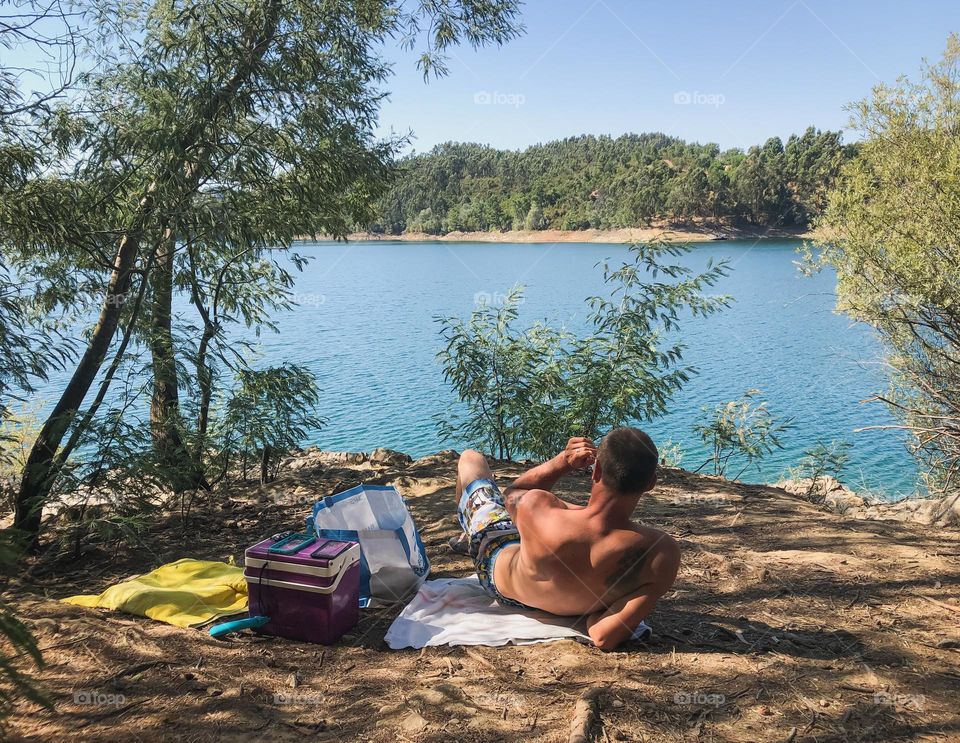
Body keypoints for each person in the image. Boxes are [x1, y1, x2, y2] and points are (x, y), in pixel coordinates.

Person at [454, 428, 680, 650]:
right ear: (651, 483)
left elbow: (512, 494)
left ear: (596, 470)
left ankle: (469, 536)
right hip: (572, 606)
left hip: (498, 572)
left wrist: (563, 461)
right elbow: (603, 636)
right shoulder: (661, 552)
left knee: (471, 459)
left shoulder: (539, 506)